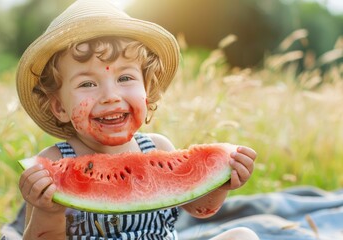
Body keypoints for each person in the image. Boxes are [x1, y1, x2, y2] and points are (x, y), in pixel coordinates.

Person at [15, 0, 259, 239]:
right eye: (87, 83)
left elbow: (199, 208)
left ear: (147, 88)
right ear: (59, 107)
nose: (111, 96)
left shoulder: (158, 147)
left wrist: (221, 182)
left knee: (243, 235)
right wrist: (48, 211)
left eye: (125, 78)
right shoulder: (51, 164)